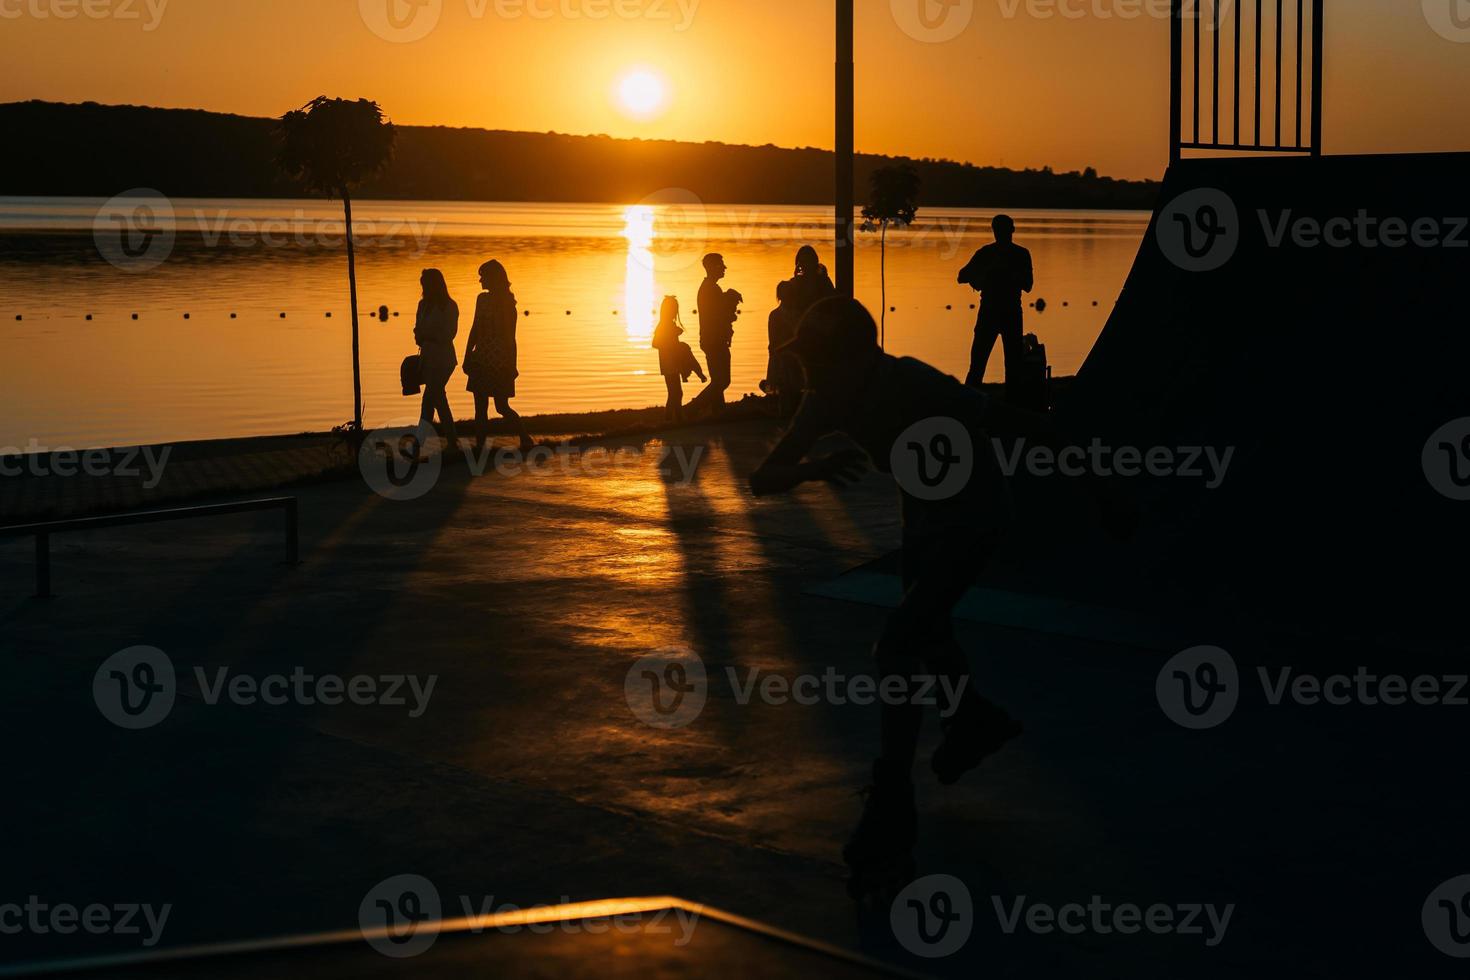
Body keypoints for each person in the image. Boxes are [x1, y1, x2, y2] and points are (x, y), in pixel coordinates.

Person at [750, 297, 1128, 899]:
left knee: (897, 644)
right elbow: (762, 478)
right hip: (921, 521)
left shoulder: (912, 382)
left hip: (976, 514)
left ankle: (893, 804)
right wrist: (811, 469)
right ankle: (972, 719)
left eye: (820, 360)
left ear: (858, 355)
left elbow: (1026, 426)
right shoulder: (823, 402)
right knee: (929, 632)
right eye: (806, 362)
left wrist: (1100, 492)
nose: (810, 374)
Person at [463, 260, 534, 454]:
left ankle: (525, 437)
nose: (480, 280)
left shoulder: (507, 304)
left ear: (493, 278)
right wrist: (467, 355)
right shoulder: (481, 299)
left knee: (501, 406)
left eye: (483, 276)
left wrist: (512, 365)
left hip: (500, 360)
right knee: (480, 405)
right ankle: (480, 446)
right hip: (481, 358)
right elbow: (475, 328)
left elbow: (511, 336)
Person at [957, 214, 1034, 388]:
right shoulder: (987, 253)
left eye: (1002, 230)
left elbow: (1028, 285)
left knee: (1011, 366)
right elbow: (962, 276)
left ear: (1011, 231)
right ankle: (971, 401)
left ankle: (1011, 404)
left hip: (1008, 314)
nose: (1000, 234)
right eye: (999, 230)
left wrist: (1007, 274)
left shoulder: (1019, 254)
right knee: (978, 364)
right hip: (993, 313)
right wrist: (982, 278)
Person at [765, 246, 836, 417]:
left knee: (815, 374)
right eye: (802, 261)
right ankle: (793, 407)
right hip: (799, 329)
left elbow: (832, 303)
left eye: (808, 261)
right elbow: (788, 303)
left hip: (817, 331)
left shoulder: (823, 282)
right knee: (793, 374)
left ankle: (814, 408)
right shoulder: (795, 283)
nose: (805, 265)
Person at [411, 268, 459, 457]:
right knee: (436, 399)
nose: (423, 287)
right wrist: (419, 335)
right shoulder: (422, 305)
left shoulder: (449, 306)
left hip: (444, 358)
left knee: (431, 398)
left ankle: (418, 444)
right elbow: (417, 328)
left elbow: (449, 334)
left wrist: (427, 335)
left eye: (426, 283)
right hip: (427, 357)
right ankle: (451, 441)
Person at [690, 253, 742, 416]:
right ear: (712, 267)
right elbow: (717, 315)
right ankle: (693, 408)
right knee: (723, 381)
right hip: (714, 339)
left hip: (710, 338)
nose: (724, 268)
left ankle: (718, 411)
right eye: (721, 265)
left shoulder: (710, 288)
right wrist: (729, 312)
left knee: (717, 380)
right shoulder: (711, 289)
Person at [651, 295, 707, 423]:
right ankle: (672, 419)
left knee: (675, 392)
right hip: (668, 362)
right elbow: (655, 343)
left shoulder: (669, 324)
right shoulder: (663, 325)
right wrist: (670, 341)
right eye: (674, 309)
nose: (675, 312)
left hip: (672, 361)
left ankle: (674, 418)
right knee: (675, 392)